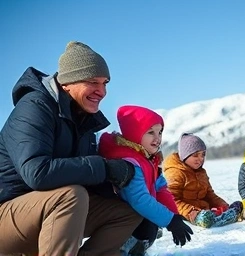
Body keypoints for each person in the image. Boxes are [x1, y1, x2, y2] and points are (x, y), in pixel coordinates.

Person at [0, 41, 142, 255]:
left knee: (127, 212)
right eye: (93, 82)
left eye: (105, 83)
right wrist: (103, 168)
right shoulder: (35, 107)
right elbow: (37, 173)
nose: (102, 91)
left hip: (48, 213)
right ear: (67, 82)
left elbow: (85, 175)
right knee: (72, 195)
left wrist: (124, 185)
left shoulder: (84, 120)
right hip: (8, 215)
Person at [98, 105, 193, 255]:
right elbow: (139, 199)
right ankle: (120, 249)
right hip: (120, 219)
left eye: (160, 132)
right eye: (150, 132)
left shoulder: (148, 159)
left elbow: (160, 188)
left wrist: (175, 216)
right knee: (147, 222)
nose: (157, 138)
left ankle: (136, 248)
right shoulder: (130, 162)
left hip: (137, 218)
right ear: (135, 134)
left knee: (151, 223)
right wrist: (170, 221)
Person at [163, 133, 243, 229]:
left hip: (205, 211)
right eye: (195, 155)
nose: (200, 159)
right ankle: (211, 219)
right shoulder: (176, 172)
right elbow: (171, 200)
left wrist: (224, 206)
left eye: (203, 155)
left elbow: (209, 195)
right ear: (185, 156)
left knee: (236, 206)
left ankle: (227, 214)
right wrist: (192, 212)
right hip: (188, 213)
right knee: (205, 218)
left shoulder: (201, 173)